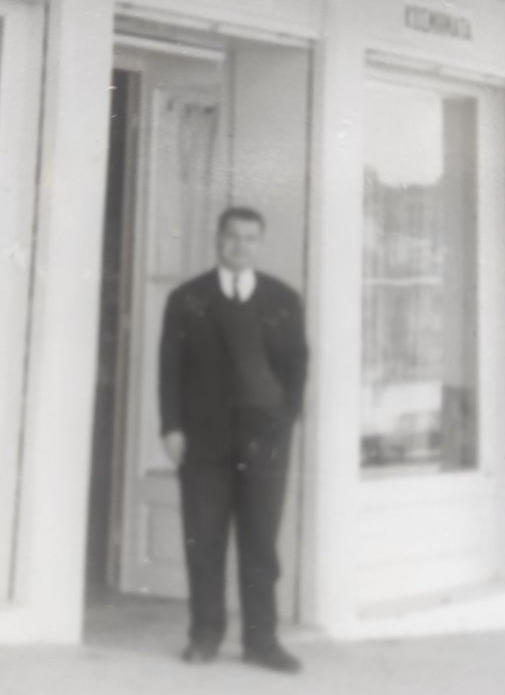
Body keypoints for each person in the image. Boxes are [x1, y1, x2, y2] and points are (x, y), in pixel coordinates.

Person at [158, 206, 308, 673]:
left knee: (261, 543)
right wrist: (172, 427)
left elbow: (296, 370)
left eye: (250, 238)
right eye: (232, 237)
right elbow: (170, 369)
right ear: (217, 239)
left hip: (265, 441)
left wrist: (283, 420)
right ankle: (204, 635)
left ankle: (261, 641)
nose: (240, 246)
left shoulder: (283, 299)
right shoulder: (187, 298)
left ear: (260, 244)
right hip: (203, 443)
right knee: (204, 542)